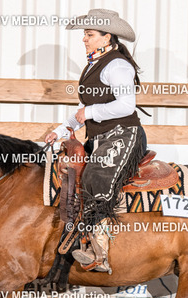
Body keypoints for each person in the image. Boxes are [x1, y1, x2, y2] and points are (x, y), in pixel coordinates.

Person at [45, 9, 147, 273]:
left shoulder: (117, 65)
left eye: (89, 34)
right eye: (85, 34)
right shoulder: (94, 65)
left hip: (123, 135)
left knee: (95, 177)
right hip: (101, 137)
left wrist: (89, 113)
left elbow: (126, 105)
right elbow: (83, 109)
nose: (84, 39)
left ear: (106, 37)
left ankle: (99, 252)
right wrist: (61, 129)